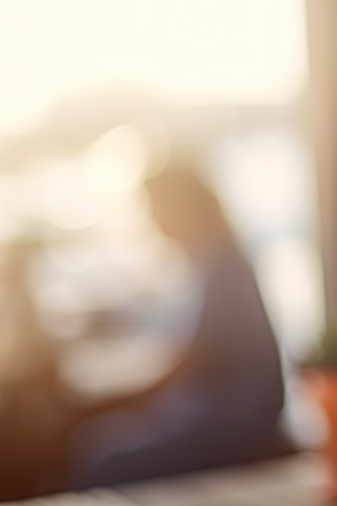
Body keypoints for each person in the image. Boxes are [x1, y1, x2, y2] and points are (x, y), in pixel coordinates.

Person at [64, 160, 287, 487]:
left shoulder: (222, 264)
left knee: (100, 455)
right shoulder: (212, 258)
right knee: (99, 437)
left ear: (181, 205)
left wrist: (115, 398)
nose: (153, 220)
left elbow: (194, 361)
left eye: (157, 207)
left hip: (234, 423)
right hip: (215, 415)